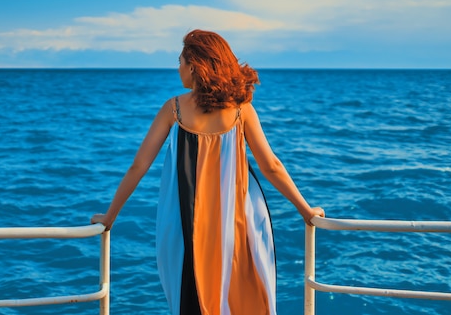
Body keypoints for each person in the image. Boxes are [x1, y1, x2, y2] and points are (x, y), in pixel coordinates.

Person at [91, 29, 325, 315]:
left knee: (193, 296)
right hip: (238, 221)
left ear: (193, 66)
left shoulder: (174, 108)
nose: (178, 69)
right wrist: (305, 210)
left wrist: (109, 216)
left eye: (180, 62)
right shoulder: (242, 110)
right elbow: (271, 166)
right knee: (241, 296)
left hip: (184, 222)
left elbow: (138, 166)